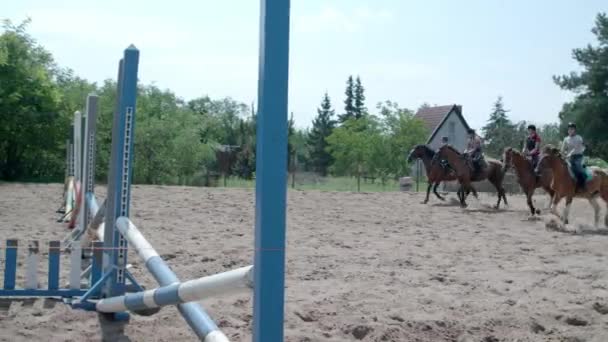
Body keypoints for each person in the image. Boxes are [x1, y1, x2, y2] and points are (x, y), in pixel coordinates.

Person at [560, 122, 586, 191]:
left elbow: (576, 148)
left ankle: (582, 186)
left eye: (572, 129)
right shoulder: (566, 139)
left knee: (577, 169)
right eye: (569, 129)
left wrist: (569, 154)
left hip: (578, 157)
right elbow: (562, 149)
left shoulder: (579, 138)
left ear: (574, 130)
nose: (570, 130)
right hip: (569, 158)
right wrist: (561, 154)